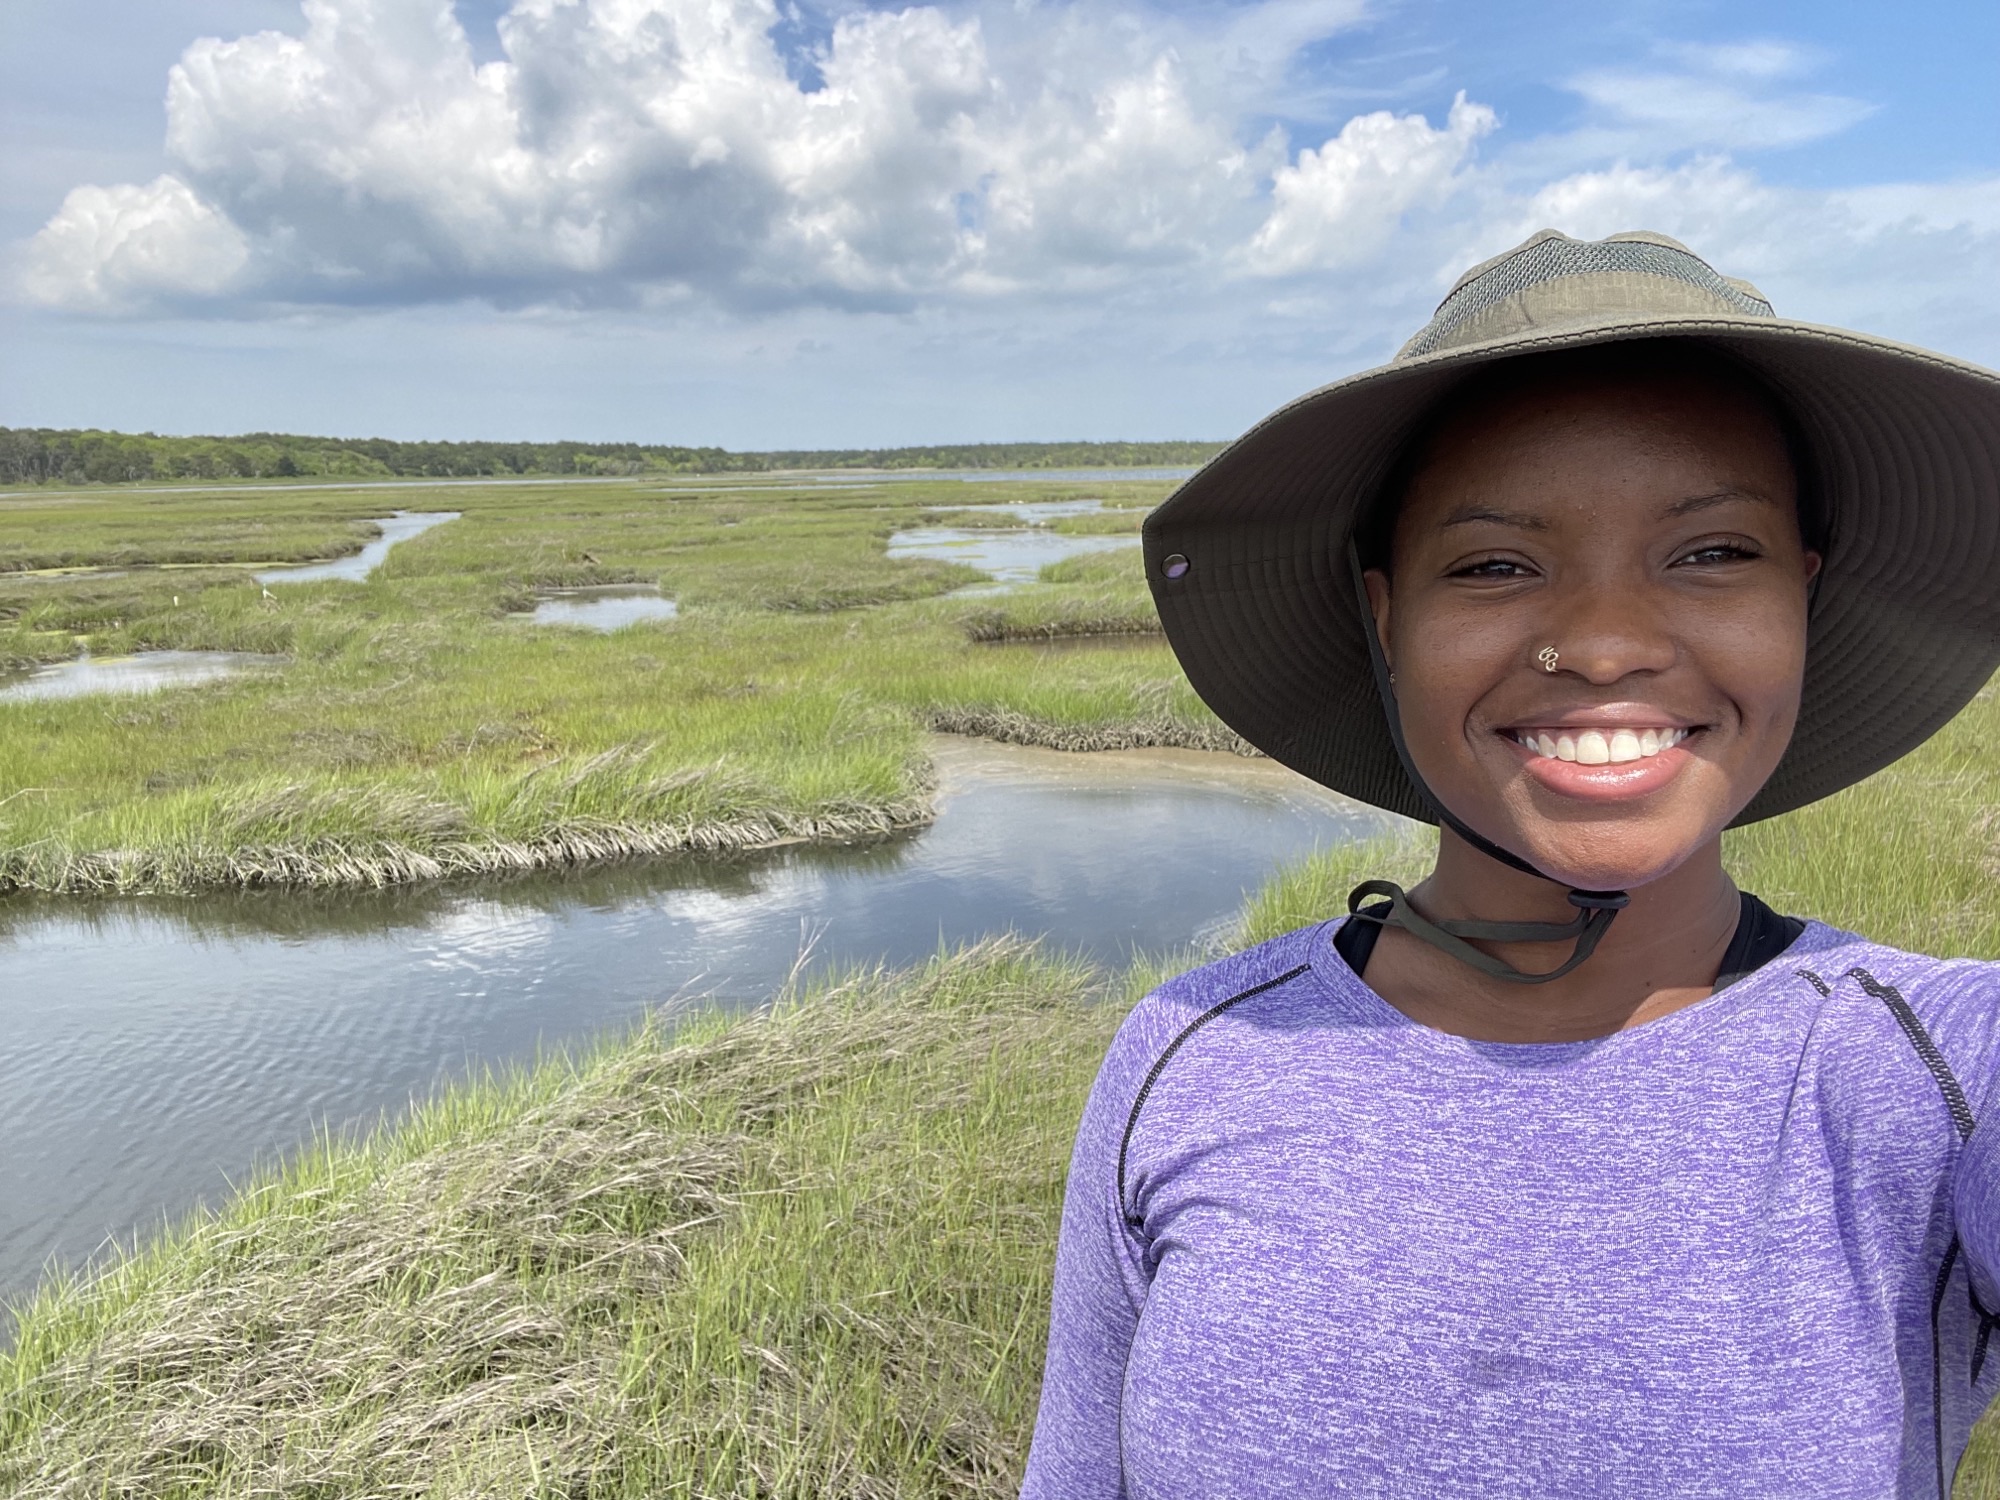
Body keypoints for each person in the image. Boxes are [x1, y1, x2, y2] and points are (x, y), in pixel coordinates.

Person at [1019, 230, 2000, 1499]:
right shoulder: (1191, 1056)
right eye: (1492, 566)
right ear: (1386, 620)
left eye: (1709, 553)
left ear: (1800, 600)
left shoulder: (1934, 1073)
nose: (1599, 646)